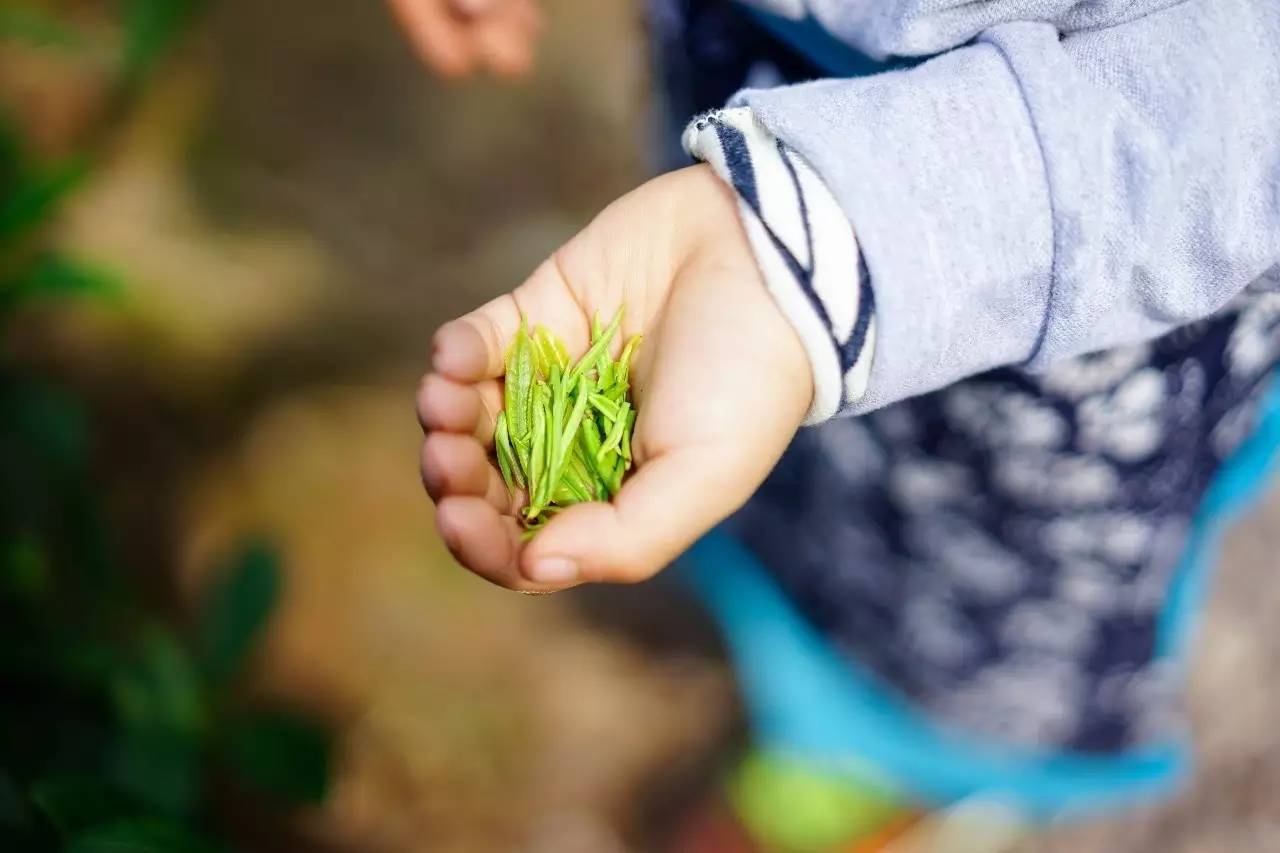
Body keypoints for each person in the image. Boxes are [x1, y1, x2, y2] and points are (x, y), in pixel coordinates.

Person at [400, 0, 1280, 849]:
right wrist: (767, 230)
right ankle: (785, 663)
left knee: (961, 610)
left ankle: (885, 767)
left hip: (1069, 275)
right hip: (749, 133)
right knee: (748, 465)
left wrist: (855, 223)